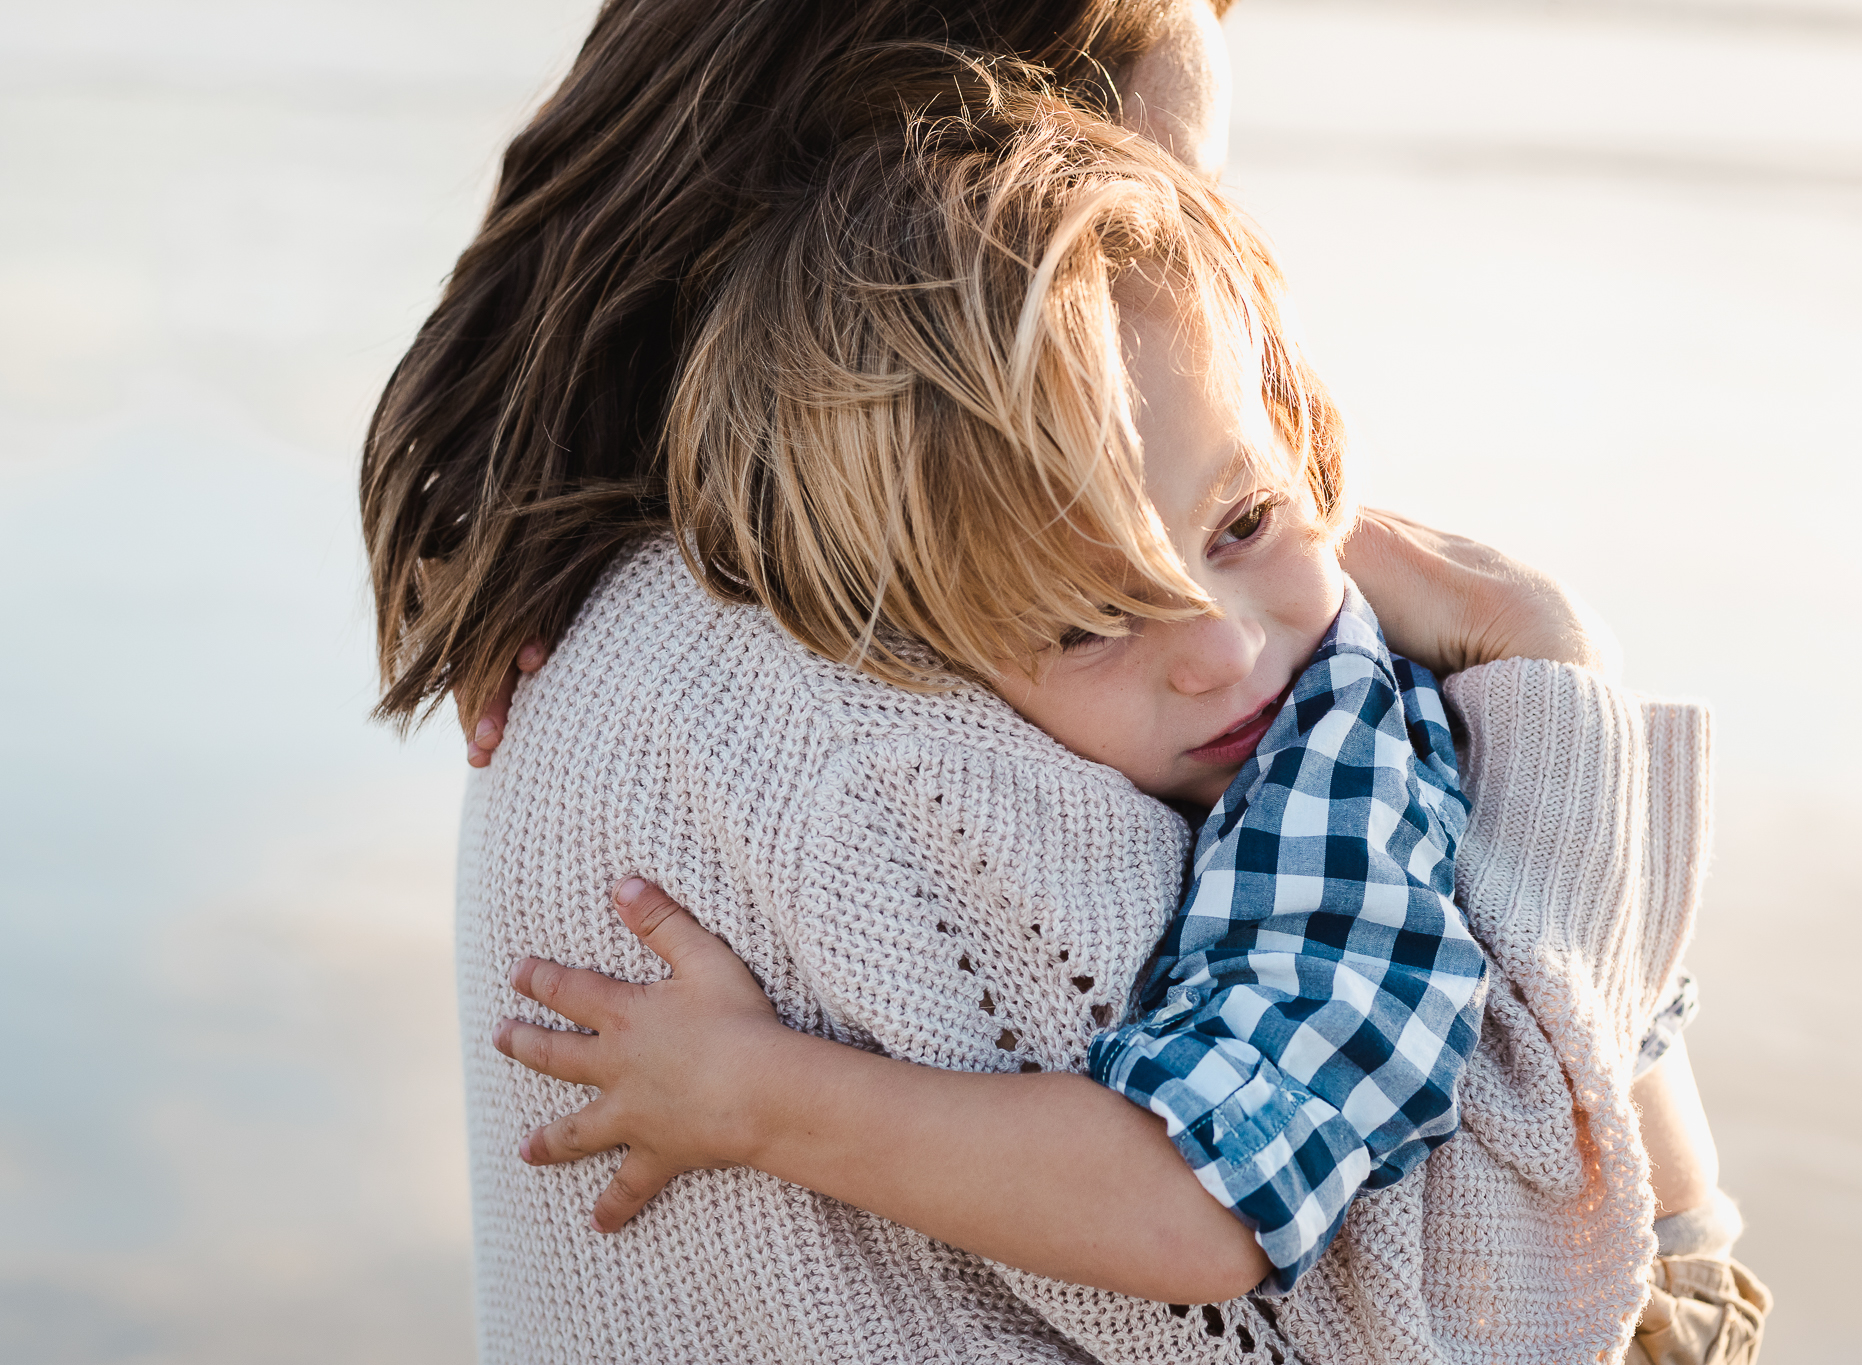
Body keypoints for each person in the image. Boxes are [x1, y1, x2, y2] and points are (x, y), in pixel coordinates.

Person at [361, 3, 1763, 1361]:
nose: (1213, 639)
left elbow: (1224, 1200)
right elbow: (1428, 1306)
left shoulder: (1292, 732)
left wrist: (760, 1095)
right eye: (1119, 189)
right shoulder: (850, 707)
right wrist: (1556, 695)